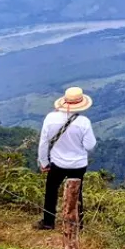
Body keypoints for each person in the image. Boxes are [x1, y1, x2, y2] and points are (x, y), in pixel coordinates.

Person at [35, 87, 97, 230]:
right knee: (77, 193)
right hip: (78, 164)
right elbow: (89, 145)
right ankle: (78, 224)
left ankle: (48, 222)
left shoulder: (50, 118)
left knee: (51, 190)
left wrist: (44, 162)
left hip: (57, 163)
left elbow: (43, 143)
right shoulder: (84, 122)